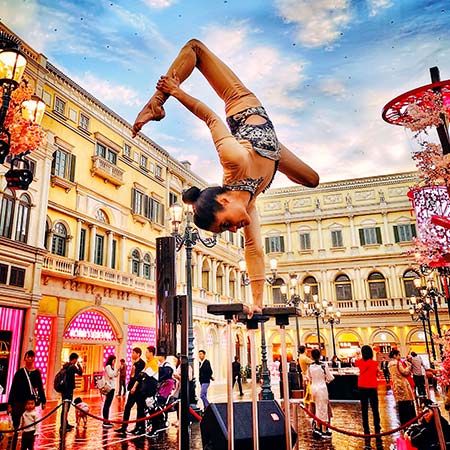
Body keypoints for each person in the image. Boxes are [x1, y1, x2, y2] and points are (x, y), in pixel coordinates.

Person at [132, 39, 319, 310]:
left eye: (225, 224)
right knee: (312, 180)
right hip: (274, 152)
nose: (233, 229)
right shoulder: (249, 205)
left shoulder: (233, 160)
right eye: (227, 230)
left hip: (243, 106)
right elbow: (254, 252)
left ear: (223, 201)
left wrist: (175, 92)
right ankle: (272, 159)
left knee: (195, 48)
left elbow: (211, 119)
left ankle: (154, 104)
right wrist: (257, 304)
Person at [8, 350, 46, 430]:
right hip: (18, 401)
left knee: (29, 424)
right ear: (24, 359)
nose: (30, 359)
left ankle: (27, 440)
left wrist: (43, 401)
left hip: (30, 402)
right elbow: (13, 388)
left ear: (34, 359)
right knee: (16, 424)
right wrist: (10, 404)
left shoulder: (36, 373)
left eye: (32, 357)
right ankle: (14, 439)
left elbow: (40, 387)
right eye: (28, 357)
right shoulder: (19, 373)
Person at [355, 345, 381, 450]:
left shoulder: (360, 363)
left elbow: (356, 362)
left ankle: (366, 429)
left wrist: (357, 355)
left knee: (364, 409)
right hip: (372, 387)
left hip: (362, 387)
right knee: (375, 409)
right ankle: (377, 428)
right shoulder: (374, 363)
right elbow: (377, 373)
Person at [115, 347, 145, 435]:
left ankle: (140, 428)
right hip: (132, 389)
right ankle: (124, 427)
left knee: (140, 409)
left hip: (138, 390)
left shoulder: (141, 363)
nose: (132, 354)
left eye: (133, 353)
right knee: (127, 407)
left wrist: (134, 387)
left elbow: (139, 377)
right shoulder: (134, 363)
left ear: (138, 354)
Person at [129, 345, 159, 435]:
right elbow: (141, 375)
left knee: (151, 410)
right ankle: (140, 427)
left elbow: (144, 375)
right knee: (141, 409)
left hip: (150, 390)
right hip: (144, 390)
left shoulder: (154, 363)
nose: (145, 354)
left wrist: (141, 375)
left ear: (151, 353)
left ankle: (154, 429)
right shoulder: (148, 363)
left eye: (146, 352)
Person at [307, 348, 334, 440]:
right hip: (322, 388)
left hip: (313, 387)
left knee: (317, 408)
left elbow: (309, 377)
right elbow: (330, 377)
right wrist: (326, 380)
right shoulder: (323, 365)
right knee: (323, 409)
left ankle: (318, 427)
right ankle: (324, 429)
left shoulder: (310, 366)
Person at [388, 349, 416, 426]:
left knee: (400, 403)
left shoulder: (389, 364)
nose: (400, 356)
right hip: (402, 383)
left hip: (395, 384)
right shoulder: (397, 363)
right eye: (398, 355)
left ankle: (402, 420)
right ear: (395, 355)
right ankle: (409, 419)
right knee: (406, 402)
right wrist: (408, 366)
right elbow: (404, 372)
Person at [59, 352, 83, 431]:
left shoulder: (66, 365)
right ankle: (63, 426)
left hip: (64, 389)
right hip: (68, 389)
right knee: (66, 407)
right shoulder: (72, 367)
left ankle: (65, 423)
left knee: (65, 407)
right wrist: (79, 365)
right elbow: (80, 373)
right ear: (75, 359)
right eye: (76, 359)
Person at [102, 355, 119, 428]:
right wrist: (117, 370)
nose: (114, 362)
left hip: (112, 387)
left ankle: (106, 420)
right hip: (109, 387)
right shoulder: (108, 367)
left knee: (108, 404)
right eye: (114, 360)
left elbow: (114, 375)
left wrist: (117, 371)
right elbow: (111, 375)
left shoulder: (111, 367)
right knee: (107, 404)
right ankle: (105, 421)